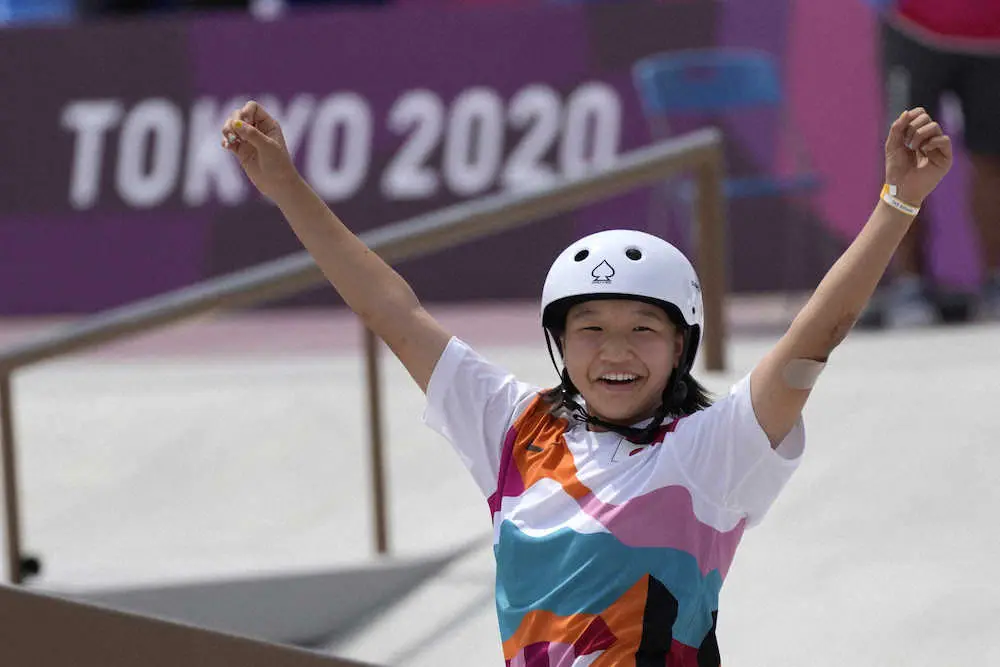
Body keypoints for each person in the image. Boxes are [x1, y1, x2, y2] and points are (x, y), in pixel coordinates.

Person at [221, 102, 952, 664]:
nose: (615, 351)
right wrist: (286, 186)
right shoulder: (513, 430)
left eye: (642, 329)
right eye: (590, 328)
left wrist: (898, 202)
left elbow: (813, 338)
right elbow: (393, 311)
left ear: (680, 346)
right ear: (561, 344)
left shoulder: (712, 452)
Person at [871, 0, 1000, 326]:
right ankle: (909, 285)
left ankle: (996, 283)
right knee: (905, 156)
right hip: (915, 27)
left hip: (992, 37)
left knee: (993, 161)